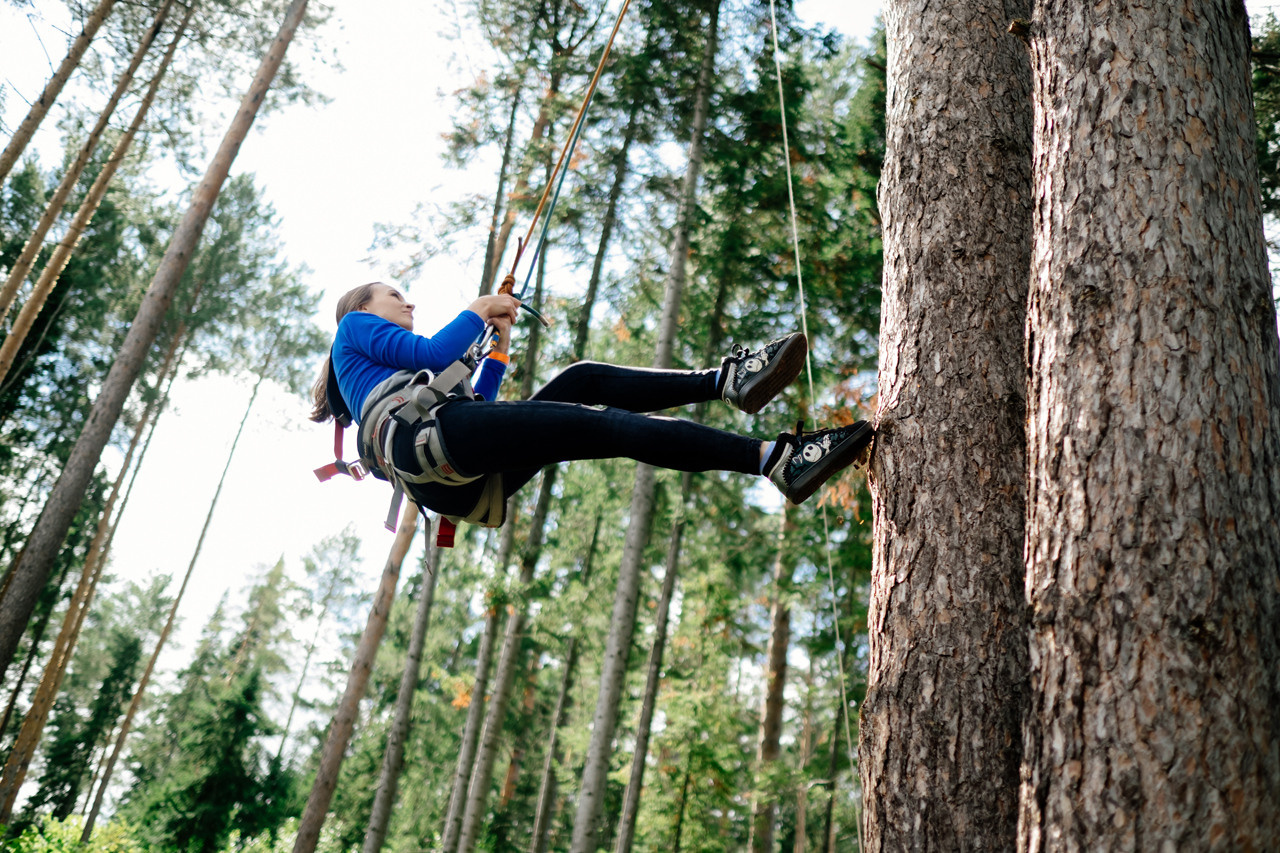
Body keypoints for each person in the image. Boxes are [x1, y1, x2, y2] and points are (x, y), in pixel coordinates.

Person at [309, 281, 872, 527]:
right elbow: (436, 351)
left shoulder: (398, 386)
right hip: (432, 449)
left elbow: (480, 406)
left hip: (454, 473)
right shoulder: (353, 329)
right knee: (602, 426)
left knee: (582, 380)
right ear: (364, 308)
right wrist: (479, 307)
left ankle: (728, 382)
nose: (408, 302)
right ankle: (773, 458)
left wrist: (497, 343)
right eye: (395, 296)